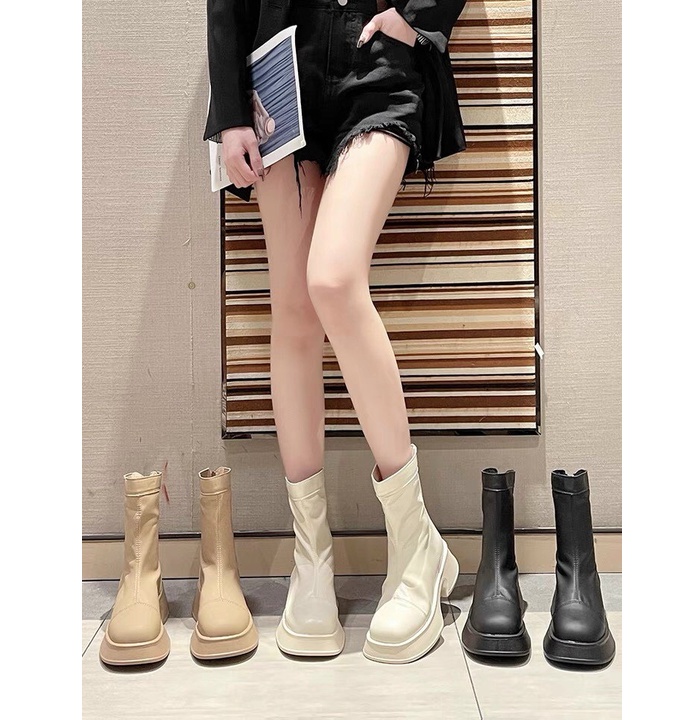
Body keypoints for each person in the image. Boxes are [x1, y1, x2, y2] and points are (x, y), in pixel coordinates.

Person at [205, 0, 467, 664]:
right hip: (277, 71)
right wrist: (230, 112)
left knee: (332, 279)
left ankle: (413, 542)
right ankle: (312, 557)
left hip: (374, 66)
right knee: (293, 309)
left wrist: (420, 17)